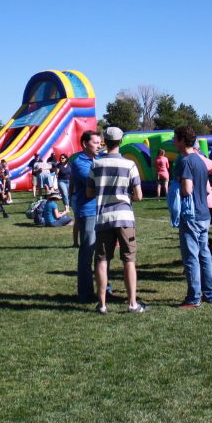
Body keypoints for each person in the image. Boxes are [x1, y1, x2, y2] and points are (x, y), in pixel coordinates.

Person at [86, 126, 145, 314]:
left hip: (103, 218)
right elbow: (138, 195)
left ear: (105, 142)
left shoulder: (95, 165)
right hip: (124, 217)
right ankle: (132, 303)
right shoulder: (130, 165)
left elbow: (89, 192)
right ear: (120, 142)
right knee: (128, 260)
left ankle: (102, 304)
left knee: (102, 260)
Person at [174, 125, 212, 308]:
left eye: (175, 138)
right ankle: (209, 293)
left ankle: (193, 297)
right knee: (204, 254)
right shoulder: (200, 160)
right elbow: (206, 190)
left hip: (191, 216)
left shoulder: (186, 161)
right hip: (204, 213)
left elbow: (187, 189)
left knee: (191, 257)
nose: (174, 142)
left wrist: (179, 186)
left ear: (182, 140)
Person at [70, 130, 102, 302]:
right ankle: (85, 292)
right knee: (87, 252)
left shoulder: (101, 158)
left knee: (102, 253)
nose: (99, 145)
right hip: (88, 212)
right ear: (84, 144)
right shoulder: (78, 162)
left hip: (102, 211)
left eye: (100, 142)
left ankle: (104, 289)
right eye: (96, 142)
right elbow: (94, 181)